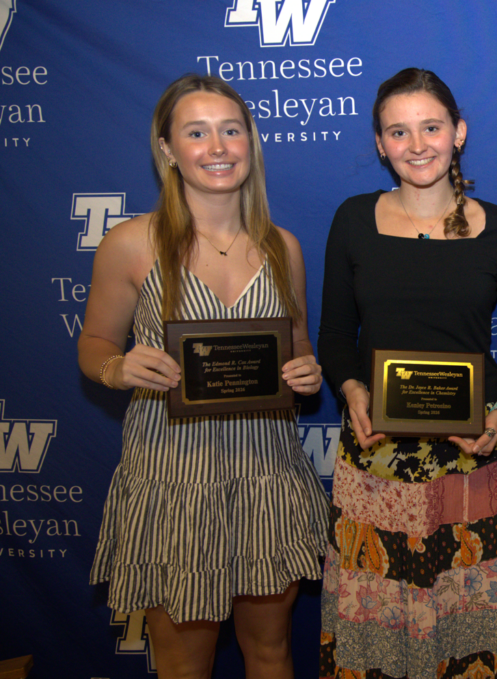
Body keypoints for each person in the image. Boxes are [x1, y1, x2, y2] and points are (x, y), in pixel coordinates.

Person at [79, 74, 329, 679]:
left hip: (265, 477)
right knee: (183, 663)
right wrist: (118, 367)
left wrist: (307, 372)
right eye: (196, 132)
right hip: (173, 480)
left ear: (251, 143)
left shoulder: (282, 247)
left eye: (230, 130)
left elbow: (298, 352)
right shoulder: (131, 243)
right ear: (167, 149)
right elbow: (94, 345)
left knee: (270, 651)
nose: (217, 147)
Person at [317, 67, 497, 679]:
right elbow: (337, 337)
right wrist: (349, 389)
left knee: (477, 642)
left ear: (459, 133)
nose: (417, 144)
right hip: (376, 464)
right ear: (378, 143)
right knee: (379, 647)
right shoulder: (351, 220)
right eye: (398, 131)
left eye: (431, 127)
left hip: (475, 459)